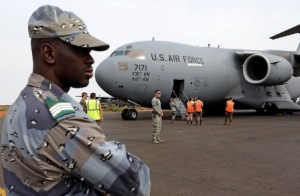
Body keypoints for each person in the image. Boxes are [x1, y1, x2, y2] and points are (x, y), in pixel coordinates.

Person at [0, 5, 150, 196]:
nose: (90, 59)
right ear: (49, 53)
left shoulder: (21, 105)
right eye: (80, 50)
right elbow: (136, 182)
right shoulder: (62, 119)